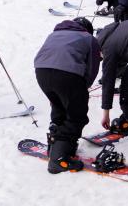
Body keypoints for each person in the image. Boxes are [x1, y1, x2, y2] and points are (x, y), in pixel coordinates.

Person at [33, 17, 101, 174]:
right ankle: (58, 159)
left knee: (59, 108)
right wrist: (83, 89)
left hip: (41, 72)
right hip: (68, 74)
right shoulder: (89, 38)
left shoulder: (54, 34)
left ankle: (55, 146)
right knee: (77, 116)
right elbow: (92, 68)